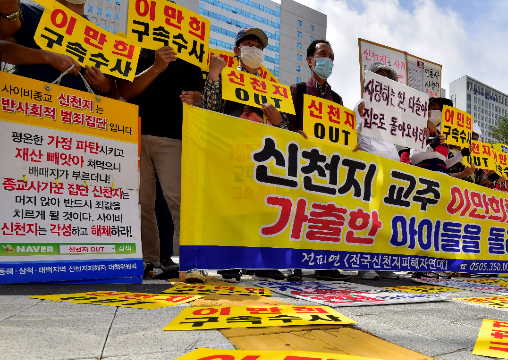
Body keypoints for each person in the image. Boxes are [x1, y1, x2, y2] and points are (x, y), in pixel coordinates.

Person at [202, 27, 289, 282]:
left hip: (262, 156)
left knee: (264, 209)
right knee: (233, 208)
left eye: (259, 46)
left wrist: (279, 121)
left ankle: (265, 262)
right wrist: (214, 76)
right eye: (249, 44)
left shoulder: (272, 87)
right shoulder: (225, 77)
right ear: (237, 50)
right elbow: (209, 109)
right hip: (232, 153)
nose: (255, 49)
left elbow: (282, 131)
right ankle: (230, 262)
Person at [117, 47, 204, 280]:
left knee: (179, 199)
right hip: (133, 134)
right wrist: (156, 67)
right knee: (141, 201)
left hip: (173, 138)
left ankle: (193, 262)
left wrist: (193, 98)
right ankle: (149, 260)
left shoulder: (191, 59)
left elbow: (202, 96)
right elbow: (124, 91)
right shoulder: (135, 51)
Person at [287, 39, 348, 282]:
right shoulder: (297, 90)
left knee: (325, 212)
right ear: (310, 60)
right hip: (301, 162)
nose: (328, 61)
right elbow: (285, 127)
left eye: (331, 57)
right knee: (298, 212)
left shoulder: (337, 99)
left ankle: (325, 262)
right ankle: (294, 262)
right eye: (323, 55)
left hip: (328, 166)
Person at [0, 0, 115, 97]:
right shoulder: (29, 13)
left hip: (78, 115)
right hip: (28, 104)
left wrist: (105, 88)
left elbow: (114, 95)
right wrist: (48, 57)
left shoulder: (102, 40)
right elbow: (3, 49)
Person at [354, 62, 400, 280]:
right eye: (379, 77)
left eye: (388, 79)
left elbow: (399, 145)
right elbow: (354, 137)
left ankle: (384, 264)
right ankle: (364, 264)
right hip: (369, 169)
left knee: (387, 218)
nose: (384, 82)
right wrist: (362, 117)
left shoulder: (396, 115)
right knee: (369, 217)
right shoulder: (360, 106)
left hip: (391, 170)